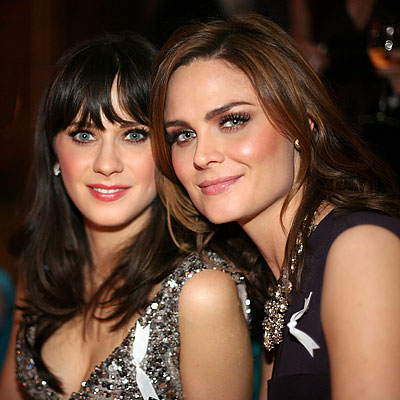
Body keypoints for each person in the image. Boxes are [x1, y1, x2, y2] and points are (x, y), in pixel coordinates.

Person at [0, 32, 265, 400]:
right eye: (84, 135)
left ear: (167, 147)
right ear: (54, 149)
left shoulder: (201, 294)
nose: (107, 164)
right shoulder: (42, 270)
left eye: (135, 135)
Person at [150, 14, 400, 400]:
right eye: (183, 135)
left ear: (304, 122)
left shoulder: (361, 248)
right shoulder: (281, 284)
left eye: (232, 121)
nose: (201, 155)